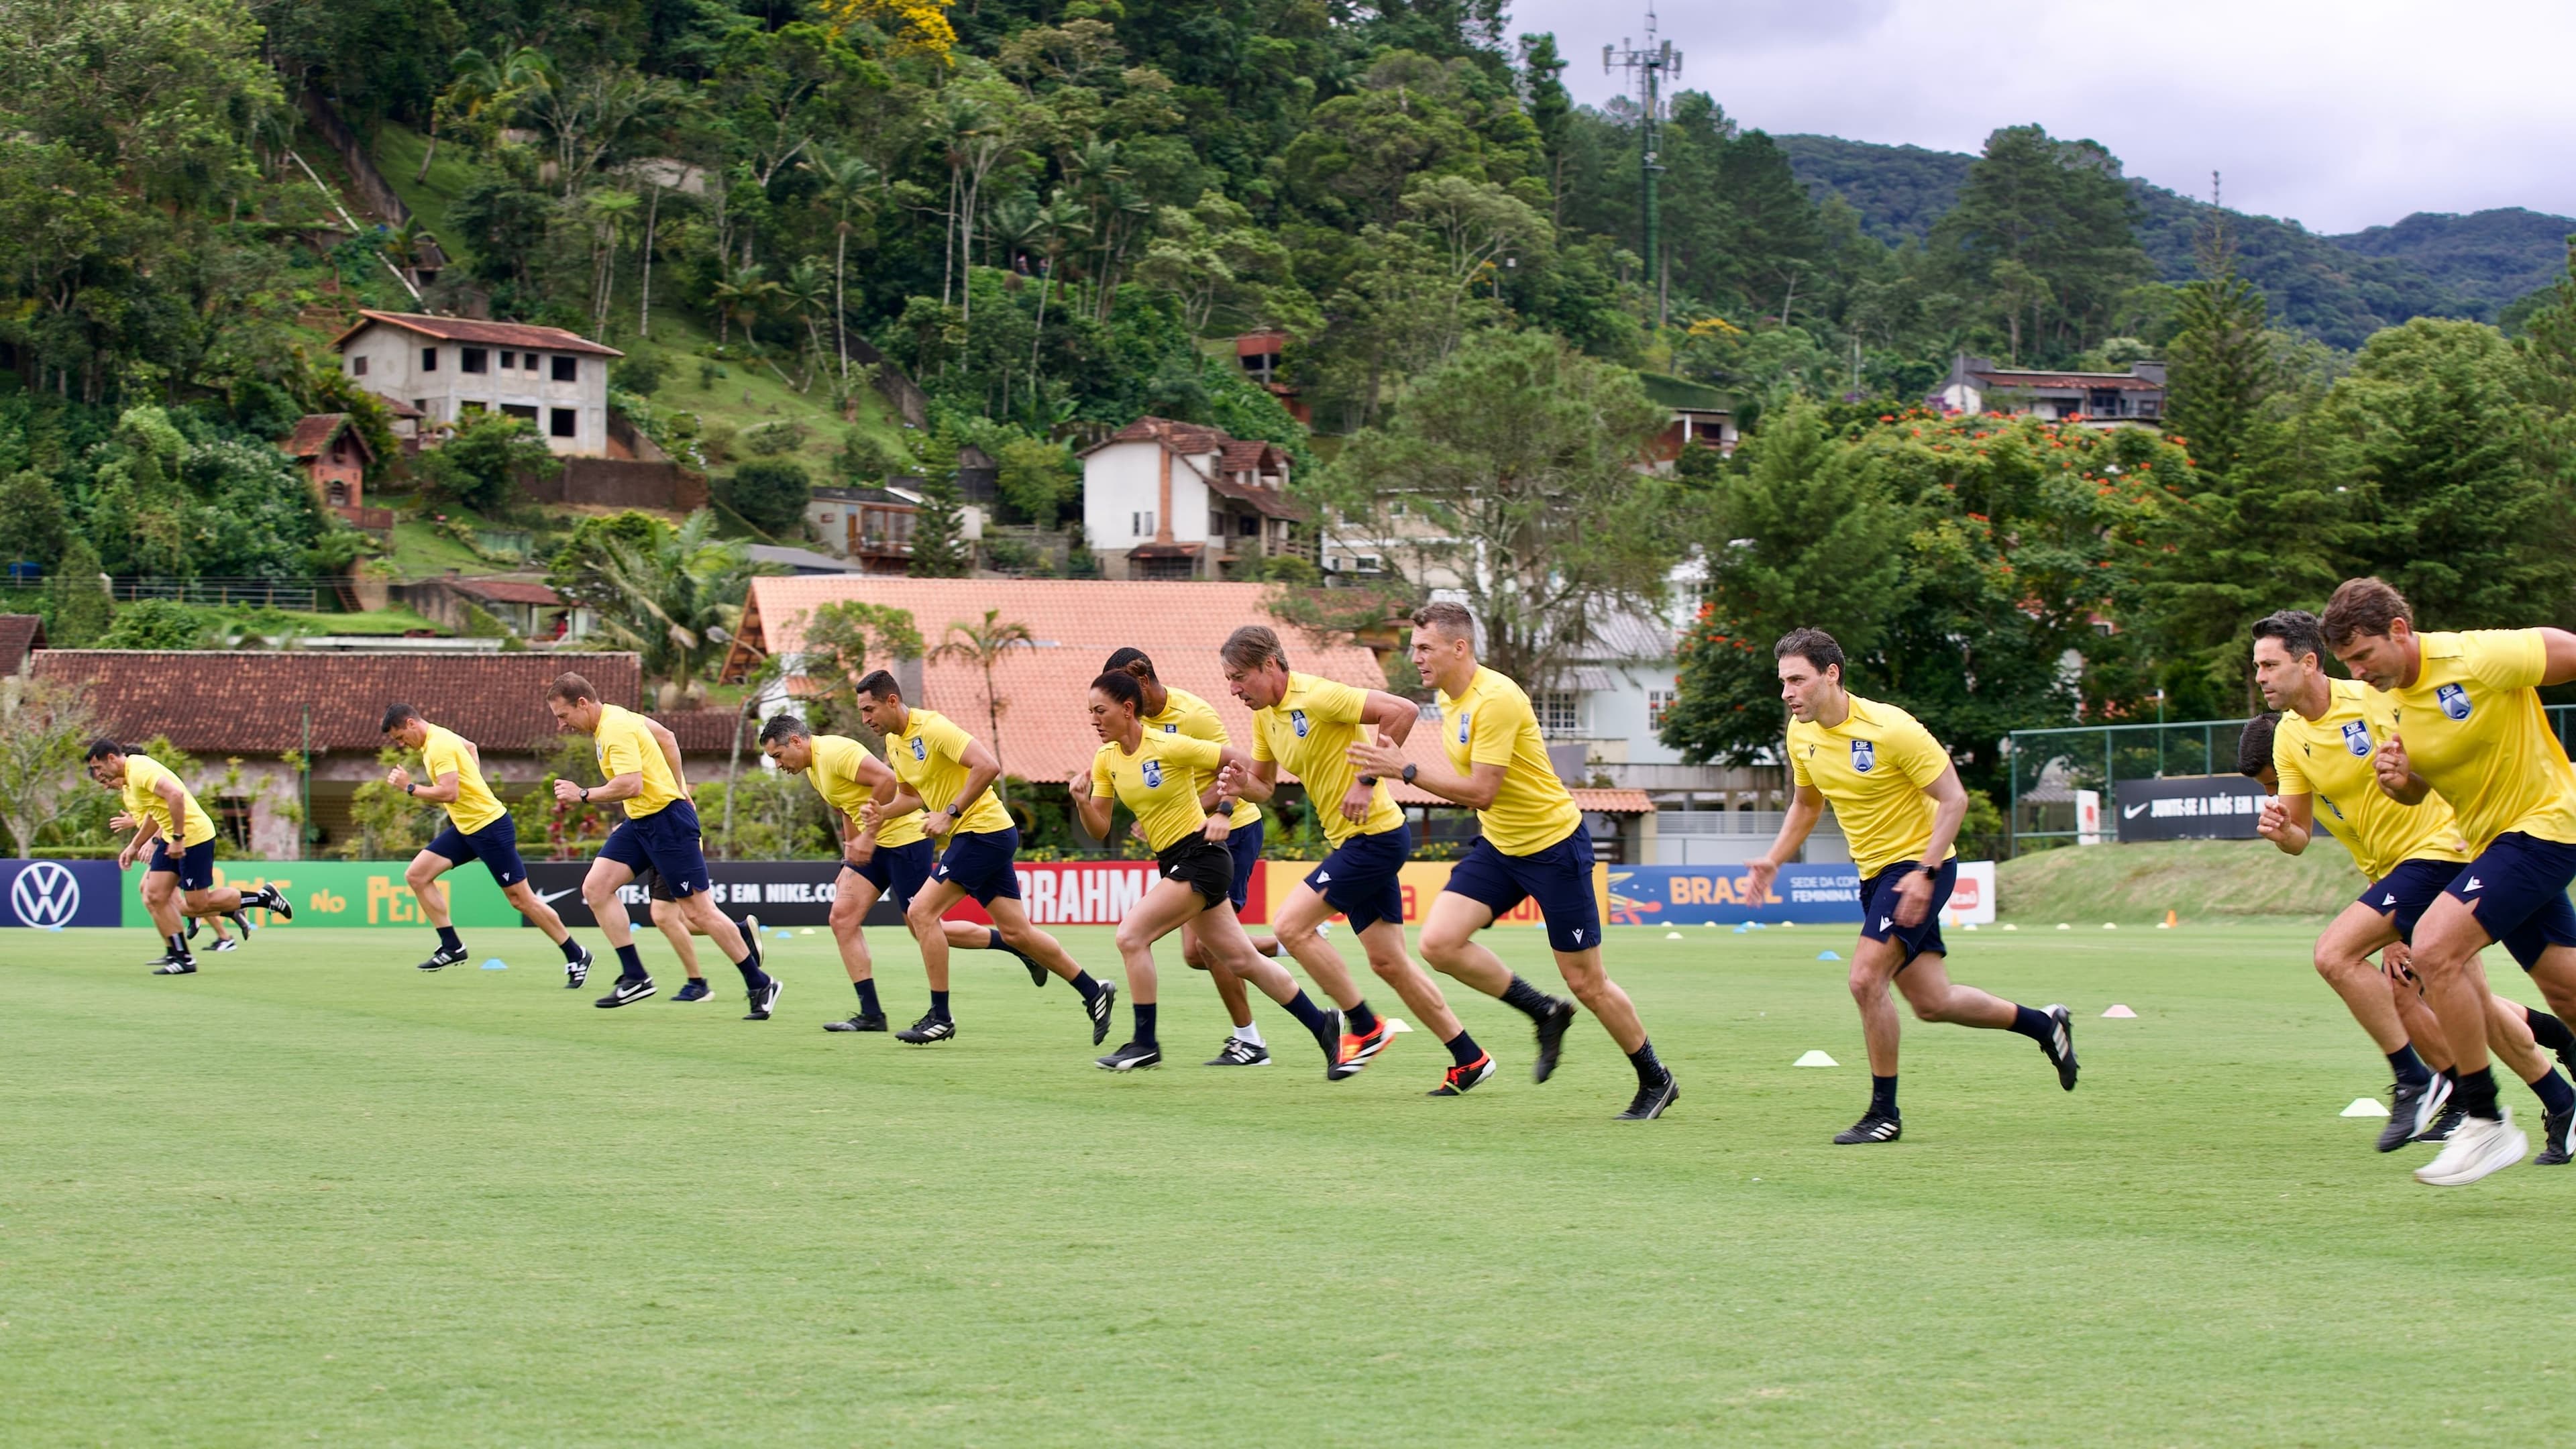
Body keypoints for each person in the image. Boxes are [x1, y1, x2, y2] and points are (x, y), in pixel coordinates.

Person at [2241, 610, 2576, 1161]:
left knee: (2340, 955)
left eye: (2269, 664)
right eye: (2257, 666)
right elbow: (2303, 835)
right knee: (2471, 996)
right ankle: (2557, 1096)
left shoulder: (2373, 698)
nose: (2260, 676)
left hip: (2443, 855)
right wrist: (2283, 834)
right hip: (2407, 870)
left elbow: (2429, 771)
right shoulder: (2289, 740)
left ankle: (2432, 1086)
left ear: (2308, 662)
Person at [1743, 629, 2075, 1144]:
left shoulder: (1891, 727)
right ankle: (2045, 1025)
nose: (1787, 692)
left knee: (1863, 980)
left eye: (1797, 680)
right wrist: (1772, 860)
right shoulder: (1800, 732)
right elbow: (1807, 806)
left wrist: (1924, 872)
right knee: (1933, 1002)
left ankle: (1884, 1114)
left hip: (1920, 868)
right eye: (1783, 681)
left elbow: (1955, 799)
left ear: (1831, 674)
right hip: (1874, 876)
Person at [1348, 602, 1678, 1119]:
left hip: (1554, 848)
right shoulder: (1447, 699)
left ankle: (1656, 1079)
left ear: (1460, 648)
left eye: (1424, 647)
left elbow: (1481, 790)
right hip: (1502, 846)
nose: (1415, 657)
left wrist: (1404, 769)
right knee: (1439, 943)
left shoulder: (1497, 698)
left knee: (1587, 981)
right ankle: (1543, 1012)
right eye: (1414, 648)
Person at [2325, 577, 2576, 1185]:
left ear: (2400, 631)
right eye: (2348, 664)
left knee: (2433, 947)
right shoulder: (2389, 702)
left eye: (2364, 656)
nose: (2359, 673)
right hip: (2493, 844)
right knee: (2565, 990)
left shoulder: (2478, 656)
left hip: (2547, 825)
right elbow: (2418, 791)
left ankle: (2486, 1122)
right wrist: (2400, 781)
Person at [1219, 625, 1482, 1089]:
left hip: (1376, 838)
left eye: (1240, 677)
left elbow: (1401, 710)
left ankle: (1363, 1027)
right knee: (1389, 963)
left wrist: (1366, 782)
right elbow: (1264, 787)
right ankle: (1469, 1057)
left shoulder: (1317, 695)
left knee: (1290, 927)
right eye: (1230, 680)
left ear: (1271, 666)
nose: (1235, 689)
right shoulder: (1265, 717)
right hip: (1353, 843)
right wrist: (1242, 787)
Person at [1077, 671, 1346, 1072]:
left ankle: (1145, 1043)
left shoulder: (1167, 744)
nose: (1094, 720)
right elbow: (1099, 828)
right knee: (1240, 959)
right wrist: (1082, 801)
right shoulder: (1106, 760)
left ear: (1128, 709)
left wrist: (1223, 810)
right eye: (1090, 713)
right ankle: (1322, 1024)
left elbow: (1238, 761)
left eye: (1100, 711)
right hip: (1173, 859)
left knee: (1131, 936)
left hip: (1202, 856)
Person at [852, 670, 1117, 1046]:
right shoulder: (895, 744)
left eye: (869, 709)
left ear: (891, 700)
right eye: (862, 712)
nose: (866, 719)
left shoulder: (933, 727)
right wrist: (884, 814)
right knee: (1016, 933)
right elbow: (911, 797)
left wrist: (950, 812)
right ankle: (1094, 991)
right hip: (981, 835)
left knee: (920, 913)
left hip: (983, 832)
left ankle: (940, 1017)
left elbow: (988, 765)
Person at [758, 712, 1048, 1032]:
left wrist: (868, 836)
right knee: (842, 918)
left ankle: (1013, 945)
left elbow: (885, 780)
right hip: (872, 849)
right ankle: (871, 1015)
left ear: (796, 741)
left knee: (923, 926)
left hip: (906, 842)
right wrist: (849, 857)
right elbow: (846, 808)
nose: (778, 765)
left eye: (778, 756)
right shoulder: (814, 768)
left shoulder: (836, 752)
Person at [541, 672, 777, 1019]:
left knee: (698, 912)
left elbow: (631, 785)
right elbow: (667, 737)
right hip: (641, 823)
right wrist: (680, 785)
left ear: (582, 703)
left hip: (667, 822)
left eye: (563, 716)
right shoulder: (617, 718)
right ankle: (635, 976)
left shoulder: (615, 728)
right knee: (596, 888)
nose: (562, 725)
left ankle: (760, 983)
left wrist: (583, 794)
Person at [380, 704, 594, 981]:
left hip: (490, 828)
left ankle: (577, 954)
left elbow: (450, 793)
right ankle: (452, 946)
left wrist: (409, 788)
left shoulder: (438, 746)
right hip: (466, 828)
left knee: (522, 900)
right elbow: (471, 747)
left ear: (411, 723)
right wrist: (476, 784)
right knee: (417, 875)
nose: (401, 745)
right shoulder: (439, 737)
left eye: (399, 737)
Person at [87, 739, 290, 975]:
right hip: (171, 838)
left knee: (196, 904)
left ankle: (264, 898)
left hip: (193, 836)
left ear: (112, 758)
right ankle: (182, 957)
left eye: (99, 770)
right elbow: (154, 814)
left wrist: (178, 838)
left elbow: (176, 796)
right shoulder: (132, 780)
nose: (100, 777)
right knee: (155, 894)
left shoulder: (139, 769)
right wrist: (134, 846)